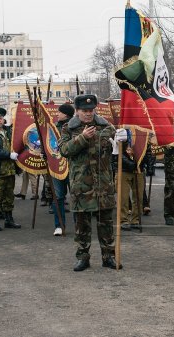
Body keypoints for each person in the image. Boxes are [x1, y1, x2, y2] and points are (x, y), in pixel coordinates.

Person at [59, 94, 126, 271]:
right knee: (82, 225)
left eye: (91, 110)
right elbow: (64, 151)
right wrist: (82, 138)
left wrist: (124, 140)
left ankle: (109, 256)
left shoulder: (106, 126)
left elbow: (118, 150)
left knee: (106, 224)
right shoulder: (68, 128)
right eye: (84, 111)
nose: (88, 114)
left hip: (103, 184)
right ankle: (82, 257)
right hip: (81, 186)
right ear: (77, 111)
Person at [51, 103, 74, 236]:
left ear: (65, 114)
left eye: (59, 112)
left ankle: (79, 225)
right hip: (57, 166)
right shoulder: (53, 127)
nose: (57, 114)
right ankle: (59, 225)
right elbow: (49, 143)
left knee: (76, 196)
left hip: (72, 167)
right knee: (58, 197)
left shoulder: (75, 126)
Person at [118, 142, 152, 232]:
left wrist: (149, 166)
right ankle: (123, 220)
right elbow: (116, 152)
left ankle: (135, 220)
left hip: (139, 170)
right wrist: (129, 163)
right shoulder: (121, 132)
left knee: (138, 197)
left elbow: (147, 152)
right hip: (123, 170)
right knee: (123, 197)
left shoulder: (142, 134)